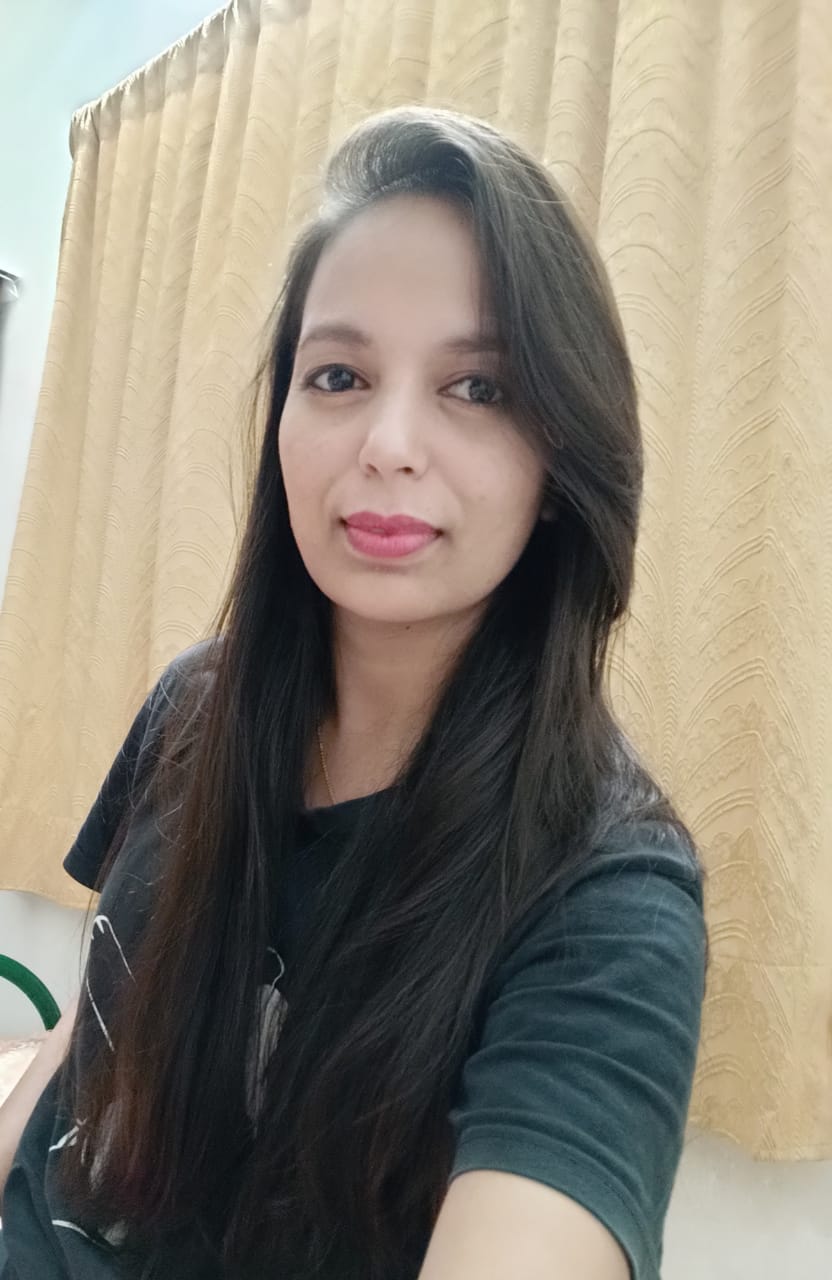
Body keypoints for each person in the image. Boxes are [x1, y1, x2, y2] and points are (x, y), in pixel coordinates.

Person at [0, 104, 707, 1279]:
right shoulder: (192, 705)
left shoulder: (607, 901)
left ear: (559, 459)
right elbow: (92, 1034)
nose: (386, 441)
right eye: (337, 374)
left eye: (476, 387)